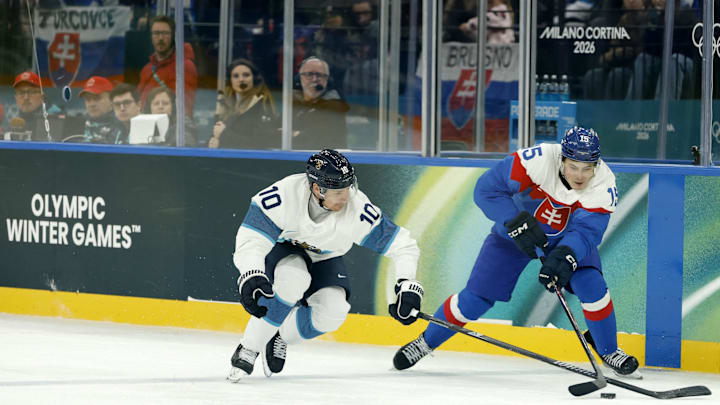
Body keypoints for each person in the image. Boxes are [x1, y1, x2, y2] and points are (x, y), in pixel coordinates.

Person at [393, 126, 642, 380]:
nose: (579, 175)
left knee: (591, 284)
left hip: (564, 239)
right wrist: (514, 222)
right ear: (562, 159)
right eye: (573, 166)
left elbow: (588, 231)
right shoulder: (537, 160)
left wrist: (565, 254)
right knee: (475, 299)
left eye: (586, 168)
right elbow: (486, 190)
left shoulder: (604, 183)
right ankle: (426, 342)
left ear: (596, 166)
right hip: (514, 235)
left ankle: (609, 350)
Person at [227, 149, 424, 381]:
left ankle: (277, 334)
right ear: (316, 188)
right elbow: (251, 240)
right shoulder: (284, 195)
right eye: (339, 191)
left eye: (349, 188)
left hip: (325, 256)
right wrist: (252, 272)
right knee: (293, 279)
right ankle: (249, 347)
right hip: (285, 248)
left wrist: (407, 283)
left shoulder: (357, 209)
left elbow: (403, 245)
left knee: (333, 312)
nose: (346, 197)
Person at [209, 59, 278, 149]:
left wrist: (224, 134)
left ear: (255, 78)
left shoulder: (262, 105)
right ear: (230, 81)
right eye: (236, 76)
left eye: (246, 75)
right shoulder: (226, 104)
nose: (241, 79)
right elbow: (216, 134)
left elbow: (260, 145)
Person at [137, 15, 198, 116]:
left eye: (165, 33)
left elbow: (183, 108)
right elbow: (138, 102)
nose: (160, 38)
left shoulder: (184, 67)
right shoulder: (147, 69)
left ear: (173, 36)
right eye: (156, 33)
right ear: (151, 37)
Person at [292, 57, 350, 150]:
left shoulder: (334, 104)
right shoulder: (294, 101)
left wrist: (292, 134)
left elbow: (315, 140)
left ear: (327, 80)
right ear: (299, 78)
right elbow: (275, 130)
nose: (314, 79)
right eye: (309, 74)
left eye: (320, 75)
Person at [11, 71, 62, 141]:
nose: (26, 97)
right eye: (21, 92)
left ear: (42, 96)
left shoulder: (55, 117)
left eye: (31, 92)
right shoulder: (16, 121)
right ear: (15, 98)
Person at [73, 76, 124, 144]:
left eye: (97, 98)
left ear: (112, 100)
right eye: (88, 99)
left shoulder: (122, 126)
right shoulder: (77, 124)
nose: (92, 104)